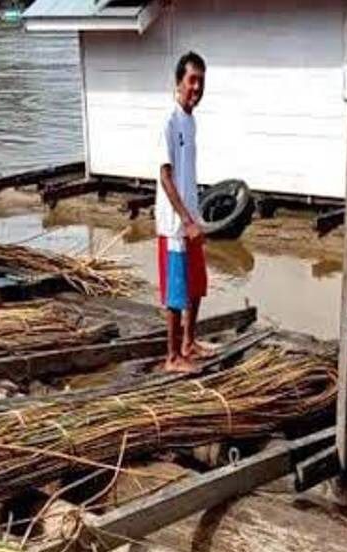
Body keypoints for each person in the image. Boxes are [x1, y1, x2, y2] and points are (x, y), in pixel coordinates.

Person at [156, 51, 210, 374]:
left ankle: (190, 342)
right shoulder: (169, 121)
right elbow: (165, 176)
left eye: (201, 82)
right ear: (179, 82)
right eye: (192, 80)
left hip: (192, 217)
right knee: (176, 292)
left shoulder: (190, 121)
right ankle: (172, 355)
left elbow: (189, 173)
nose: (197, 87)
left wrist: (197, 215)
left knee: (197, 284)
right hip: (175, 224)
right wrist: (186, 220)